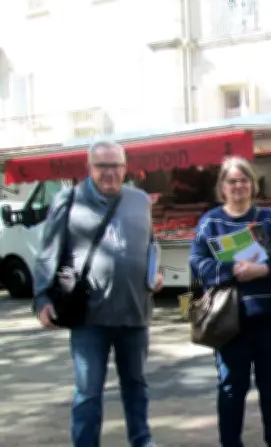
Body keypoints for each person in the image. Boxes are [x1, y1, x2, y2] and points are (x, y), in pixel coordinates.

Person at [33, 140, 164, 447]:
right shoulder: (69, 200)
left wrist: (154, 273)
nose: (110, 173)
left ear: (125, 168)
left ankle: (142, 440)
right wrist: (42, 297)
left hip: (134, 310)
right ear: (89, 167)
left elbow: (150, 244)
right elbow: (48, 252)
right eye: (102, 166)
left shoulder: (139, 200)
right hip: (89, 316)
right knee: (88, 392)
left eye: (116, 166)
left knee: (136, 385)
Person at [189, 156, 271, 447]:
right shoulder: (210, 222)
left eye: (244, 180)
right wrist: (231, 270)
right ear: (222, 187)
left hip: (270, 316)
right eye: (232, 181)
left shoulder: (269, 219)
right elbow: (197, 263)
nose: (238, 186)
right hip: (228, 319)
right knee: (231, 388)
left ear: (253, 184)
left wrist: (262, 269)